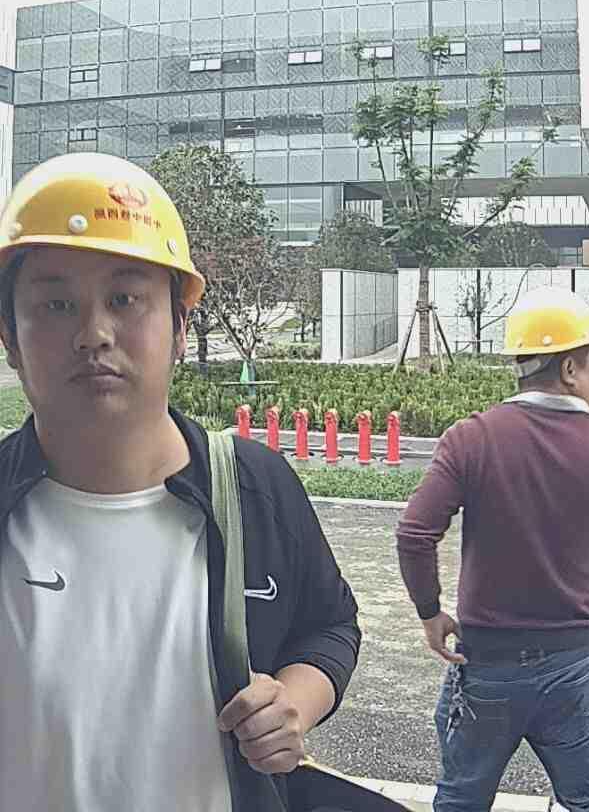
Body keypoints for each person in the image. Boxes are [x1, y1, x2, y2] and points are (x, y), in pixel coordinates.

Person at [0, 152, 360, 812]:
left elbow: (330, 625)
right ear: (10, 339)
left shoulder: (253, 488)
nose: (93, 333)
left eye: (125, 299)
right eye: (55, 304)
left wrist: (294, 702)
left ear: (180, 327)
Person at [396, 286, 589, 811]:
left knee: (462, 799)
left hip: (487, 662)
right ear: (570, 369)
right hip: (577, 664)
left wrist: (429, 612)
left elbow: (414, 533)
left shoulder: (472, 438)